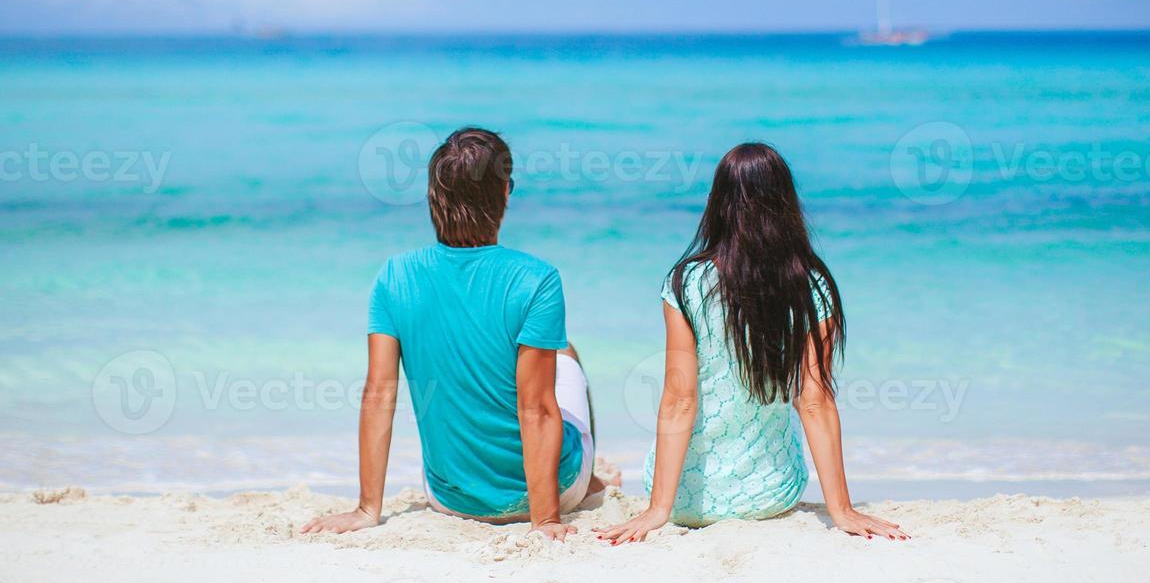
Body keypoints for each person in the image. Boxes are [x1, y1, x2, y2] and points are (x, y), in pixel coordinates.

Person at [595, 142, 908, 545]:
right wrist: (841, 511)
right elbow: (814, 401)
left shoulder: (686, 283)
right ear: (787, 204)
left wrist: (657, 510)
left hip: (684, 501)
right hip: (768, 494)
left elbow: (679, 399)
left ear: (716, 203)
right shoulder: (811, 287)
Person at [303, 127, 600, 541]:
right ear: (504, 194)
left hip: (451, 500)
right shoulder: (538, 279)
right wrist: (546, 520)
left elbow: (379, 394)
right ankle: (594, 480)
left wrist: (367, 508)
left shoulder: (395, 277)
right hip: (552, 495)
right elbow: (536, 409)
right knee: (565, 354)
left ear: (433, 197)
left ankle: (373, 504)